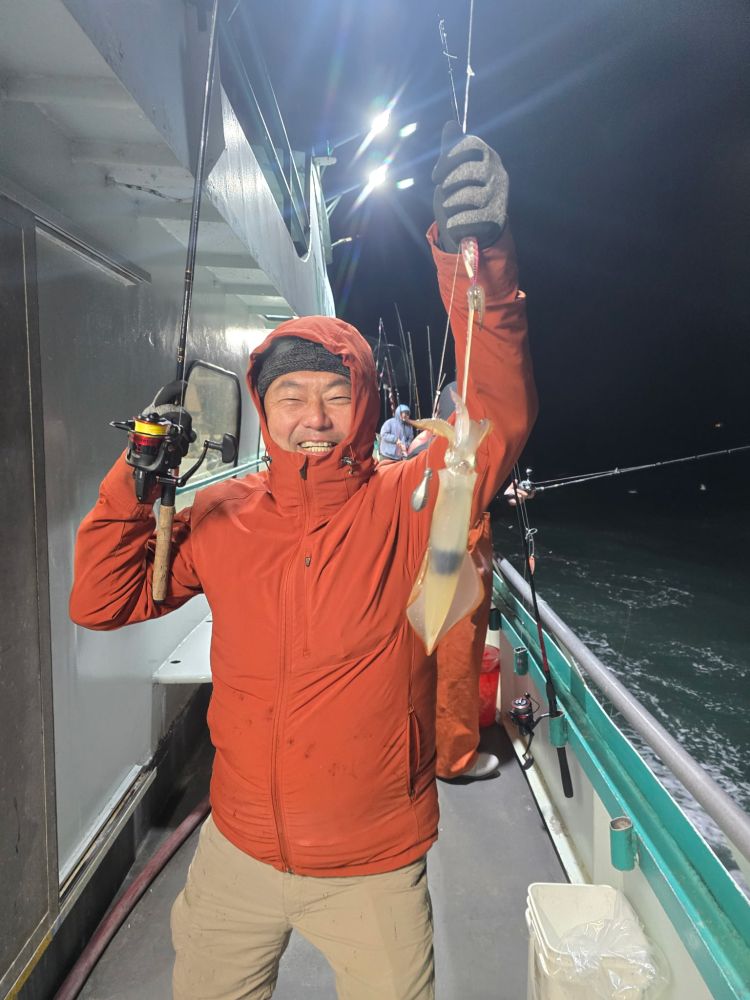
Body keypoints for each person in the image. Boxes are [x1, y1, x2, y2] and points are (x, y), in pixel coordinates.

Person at [69, 122, 537, 1000]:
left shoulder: (409, 501)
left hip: (375, 869)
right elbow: (102, 600)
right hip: (237, 853)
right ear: (263, 407)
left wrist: (475, 261)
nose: (313, 417)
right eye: (290, 396)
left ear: (365, 407)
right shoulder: (223, 514)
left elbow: (495, 412)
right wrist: (138, 477)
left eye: (334, 395)